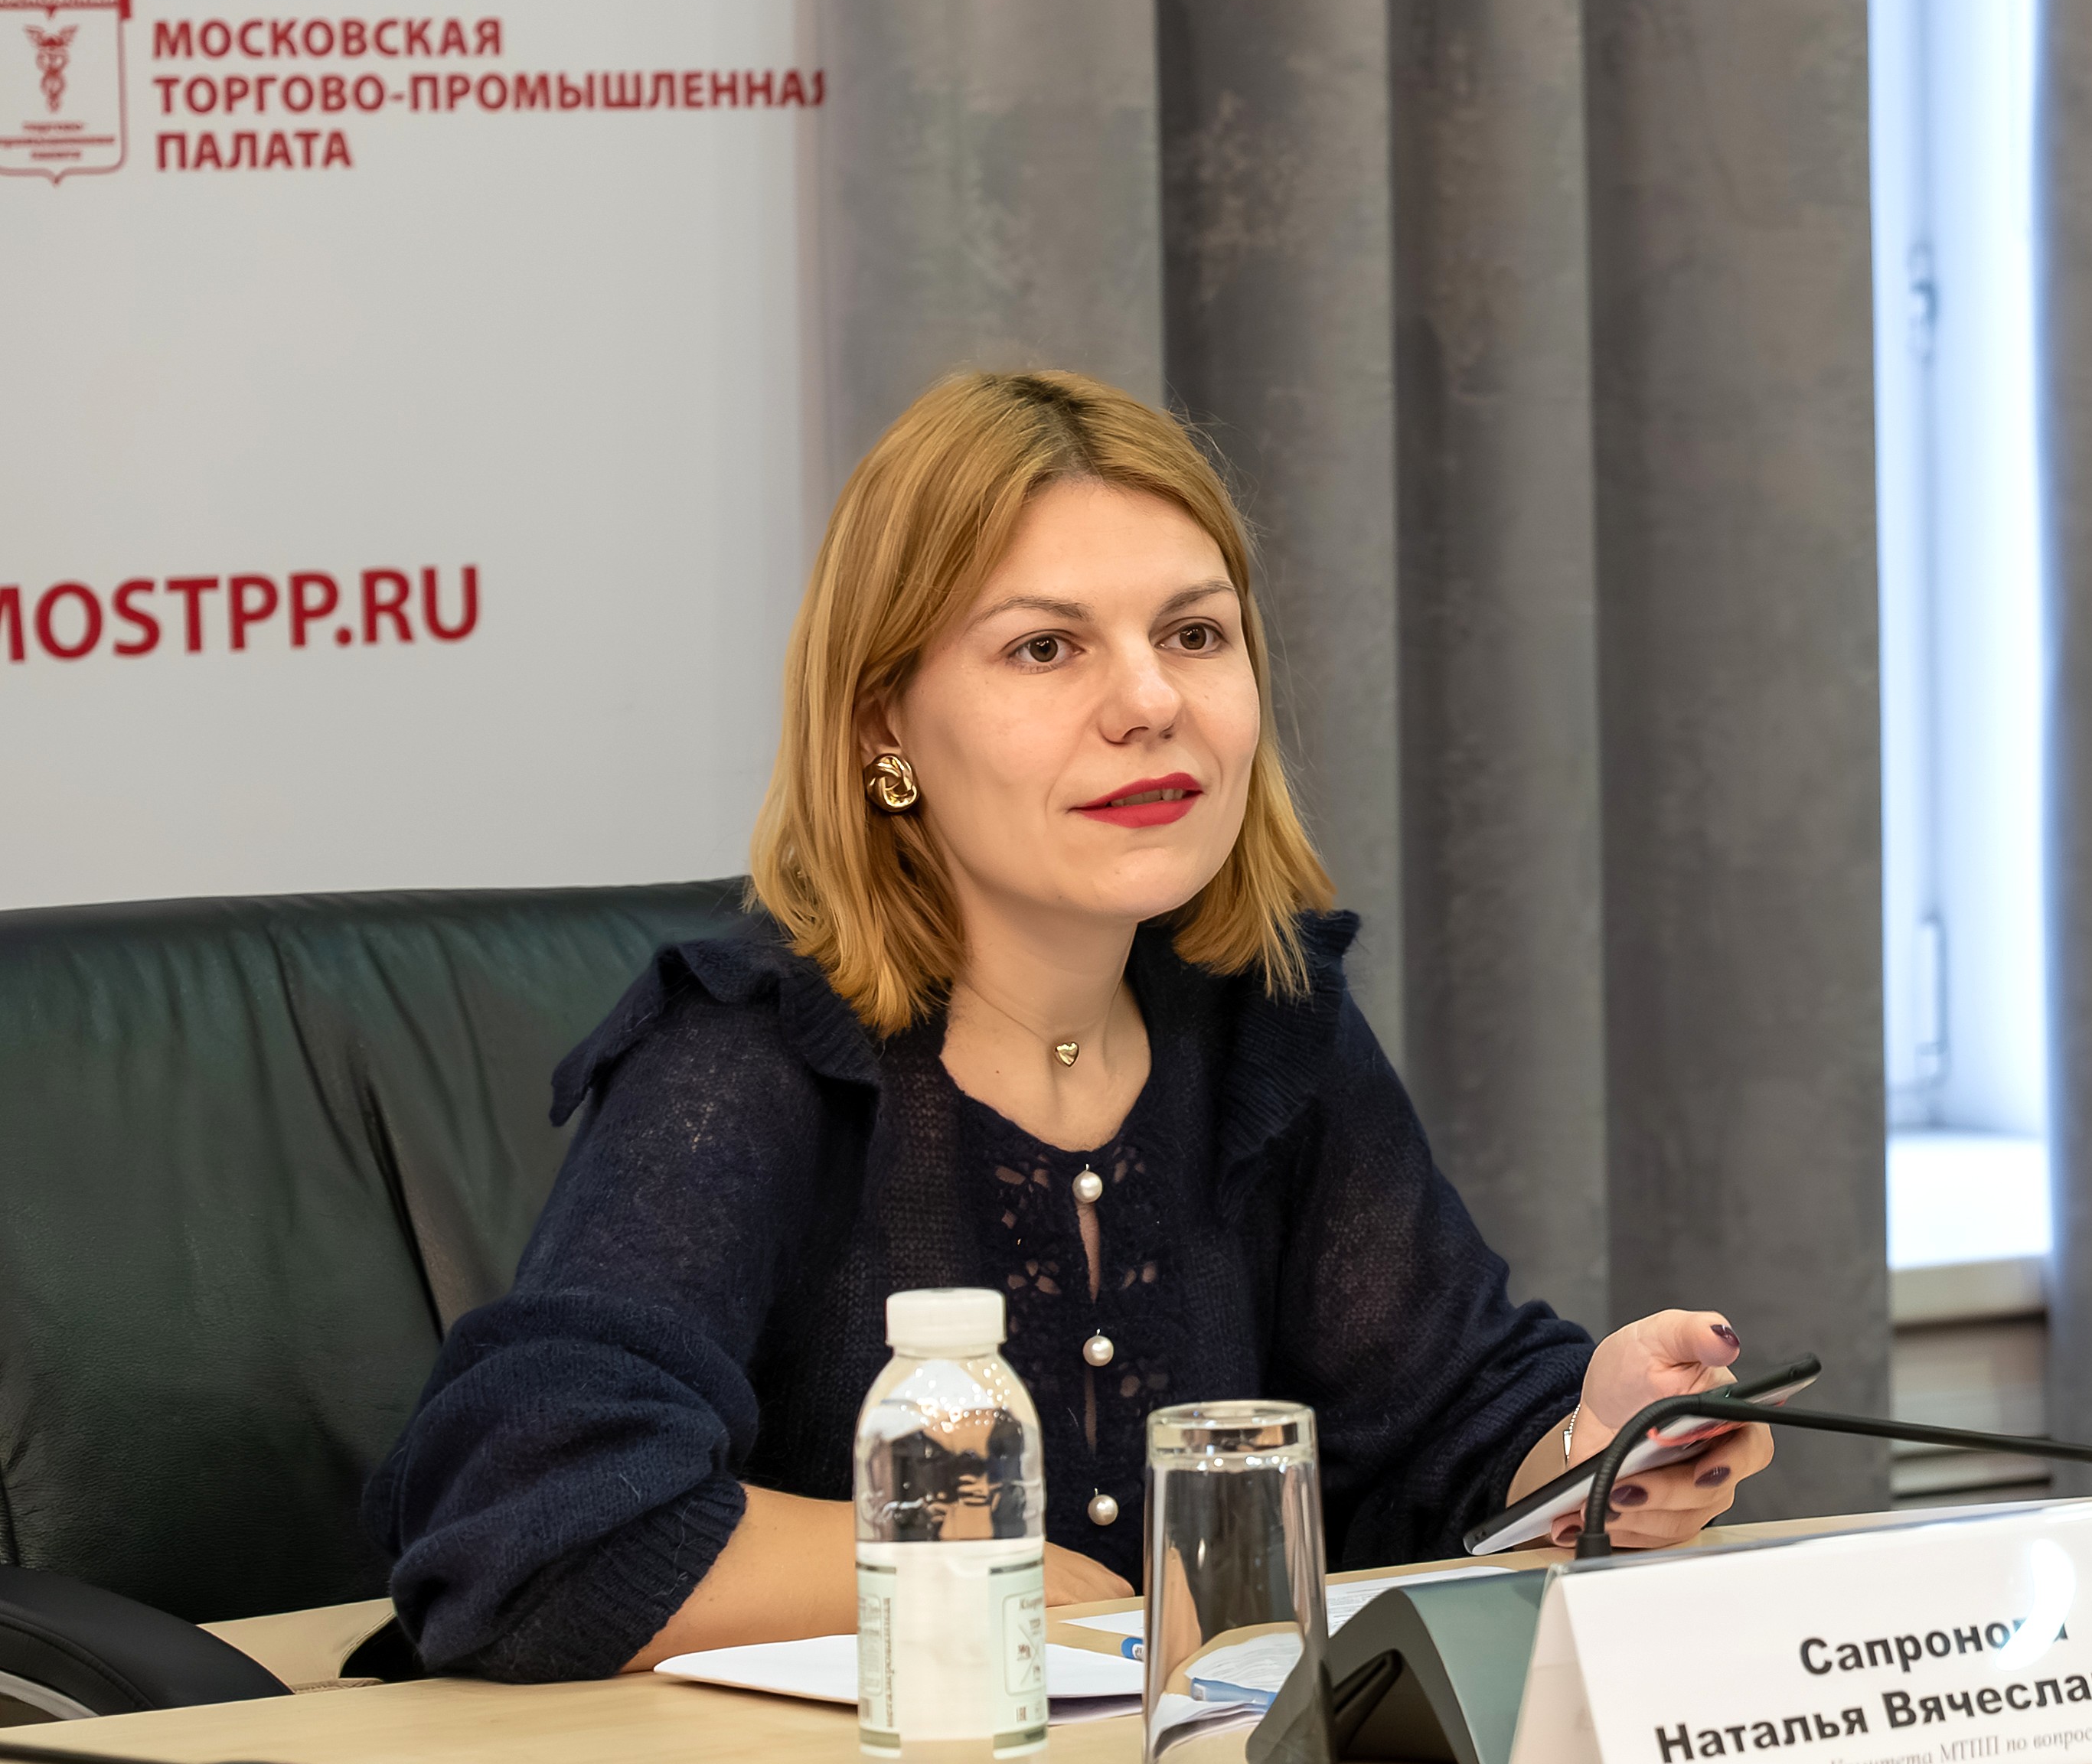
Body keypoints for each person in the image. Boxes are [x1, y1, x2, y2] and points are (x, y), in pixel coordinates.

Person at [372, 368, 1767, 1678]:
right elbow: (534, 1519)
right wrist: (992, 1568)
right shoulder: (751, 1056)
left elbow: (1438, 1421)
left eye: (1194, 634)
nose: (1151, 702)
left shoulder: (1264, 1022)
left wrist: (1593, 1447)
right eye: (1046, 647)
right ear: (882, 727)